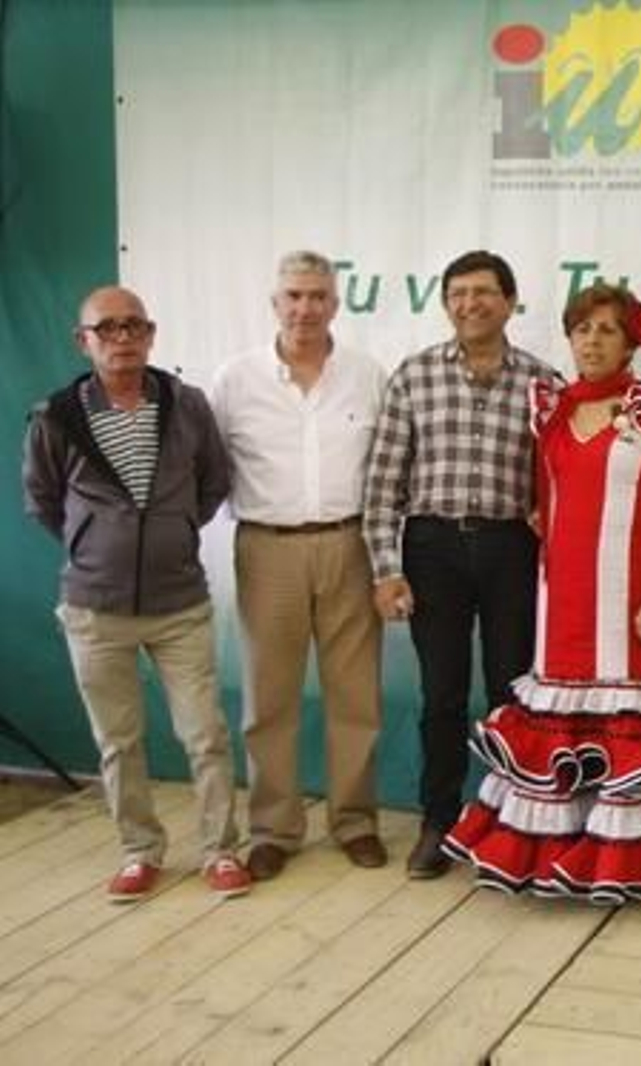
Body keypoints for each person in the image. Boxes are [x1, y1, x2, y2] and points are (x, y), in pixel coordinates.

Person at [443, 283, 641, 901]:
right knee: (562, 730)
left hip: (626, 599)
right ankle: (555, 854)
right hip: (562, 596)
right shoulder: (553, 408)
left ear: (630, 340)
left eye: (606, 330)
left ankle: (621, 863)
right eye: (582, 330)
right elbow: (546, 502)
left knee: (624, 727)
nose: (592, 341)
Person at [23, 286, 250, 902]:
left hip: (181, 607)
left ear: (151, 334)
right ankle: (139, 850)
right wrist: (97, 543)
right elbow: (44, 501)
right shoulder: (56, 416)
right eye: (109, 328)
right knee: (118, 741)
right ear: (85, 340)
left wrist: (169, 535)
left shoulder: (186, 404)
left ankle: (220, 849)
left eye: (134, 327)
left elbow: (213, 484)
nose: (123, 338)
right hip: (95, 611)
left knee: (205, 734)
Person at [362, 250, 560, 879]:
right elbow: (383, 484)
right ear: (446, 303)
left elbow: (558, 481)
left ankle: (508, 822)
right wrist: (386, 570)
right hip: (433, 548)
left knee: (510, 694)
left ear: (510, 301)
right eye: (457, 293)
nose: (469, 304)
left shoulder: (542, 382)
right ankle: (437, 822)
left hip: (510, 550)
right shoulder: (414, 376)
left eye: (483, 292)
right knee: (441, 695)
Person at [211, 250, 389, 880]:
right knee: (269, 698)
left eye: (317, 296)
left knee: (356, 696)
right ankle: (274, 830)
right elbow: (208, 469)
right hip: (267, 548)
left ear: (336, 305)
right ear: (274, 303)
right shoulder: (235, 380)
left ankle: (355, 821)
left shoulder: (369, 375)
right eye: (294, 295)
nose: (305, 307)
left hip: (349, 545)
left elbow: (391, 471)